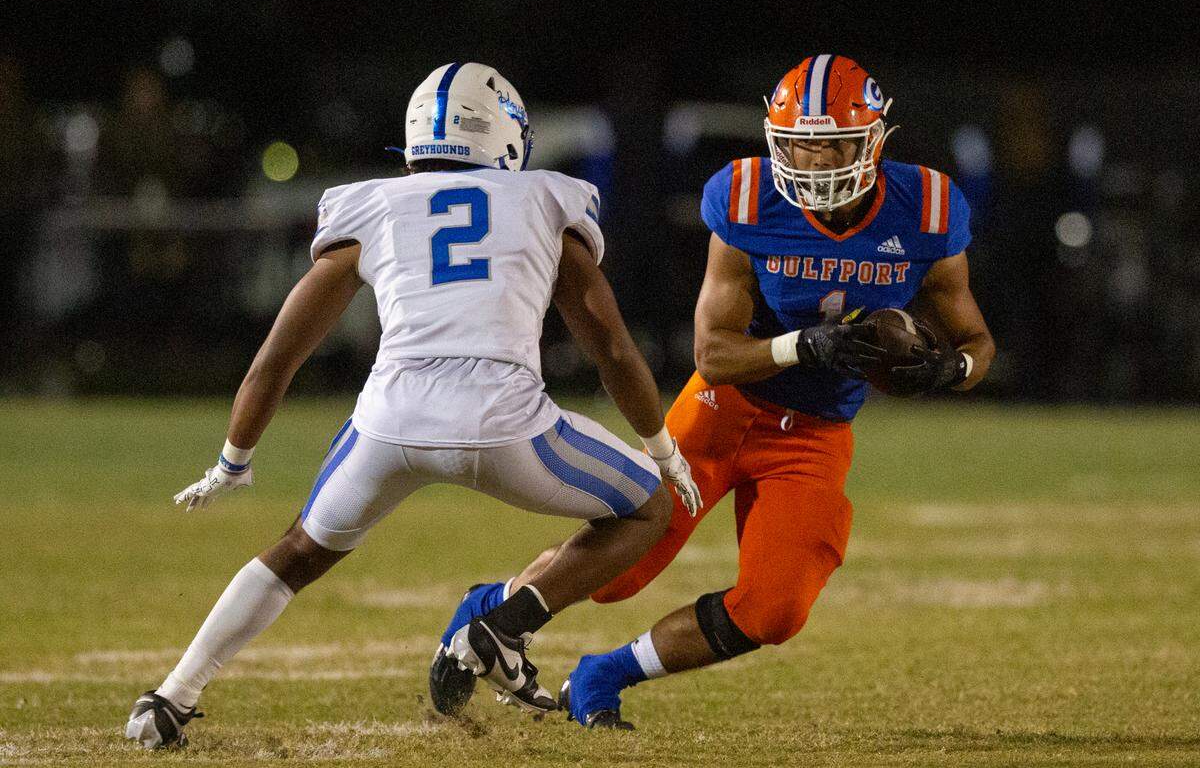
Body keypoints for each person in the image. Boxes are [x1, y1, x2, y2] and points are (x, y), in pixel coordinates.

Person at [124, 61, 701, 749]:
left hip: (390, 422)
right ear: (507, 136)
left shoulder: (373, 205)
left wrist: (234, 457)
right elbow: (610, 346)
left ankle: (171, 696)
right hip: (508, 425)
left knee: (298, 550)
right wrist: (662, 446)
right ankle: (505, 624)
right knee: (649, 507)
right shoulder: (548, 198)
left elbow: (277, 357)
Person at [559, 54, 996, 728]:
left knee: (775, 610)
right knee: (615, 568)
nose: (816, 164)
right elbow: (712, 353)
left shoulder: (929, 210)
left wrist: (951, 371)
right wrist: (803, 345)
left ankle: (603, 671)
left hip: (816, 432)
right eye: (801, 146)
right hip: (723, 408)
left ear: (874, 142)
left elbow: (977, 341)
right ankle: (492, 614)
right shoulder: (745, 196)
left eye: (834, 147)